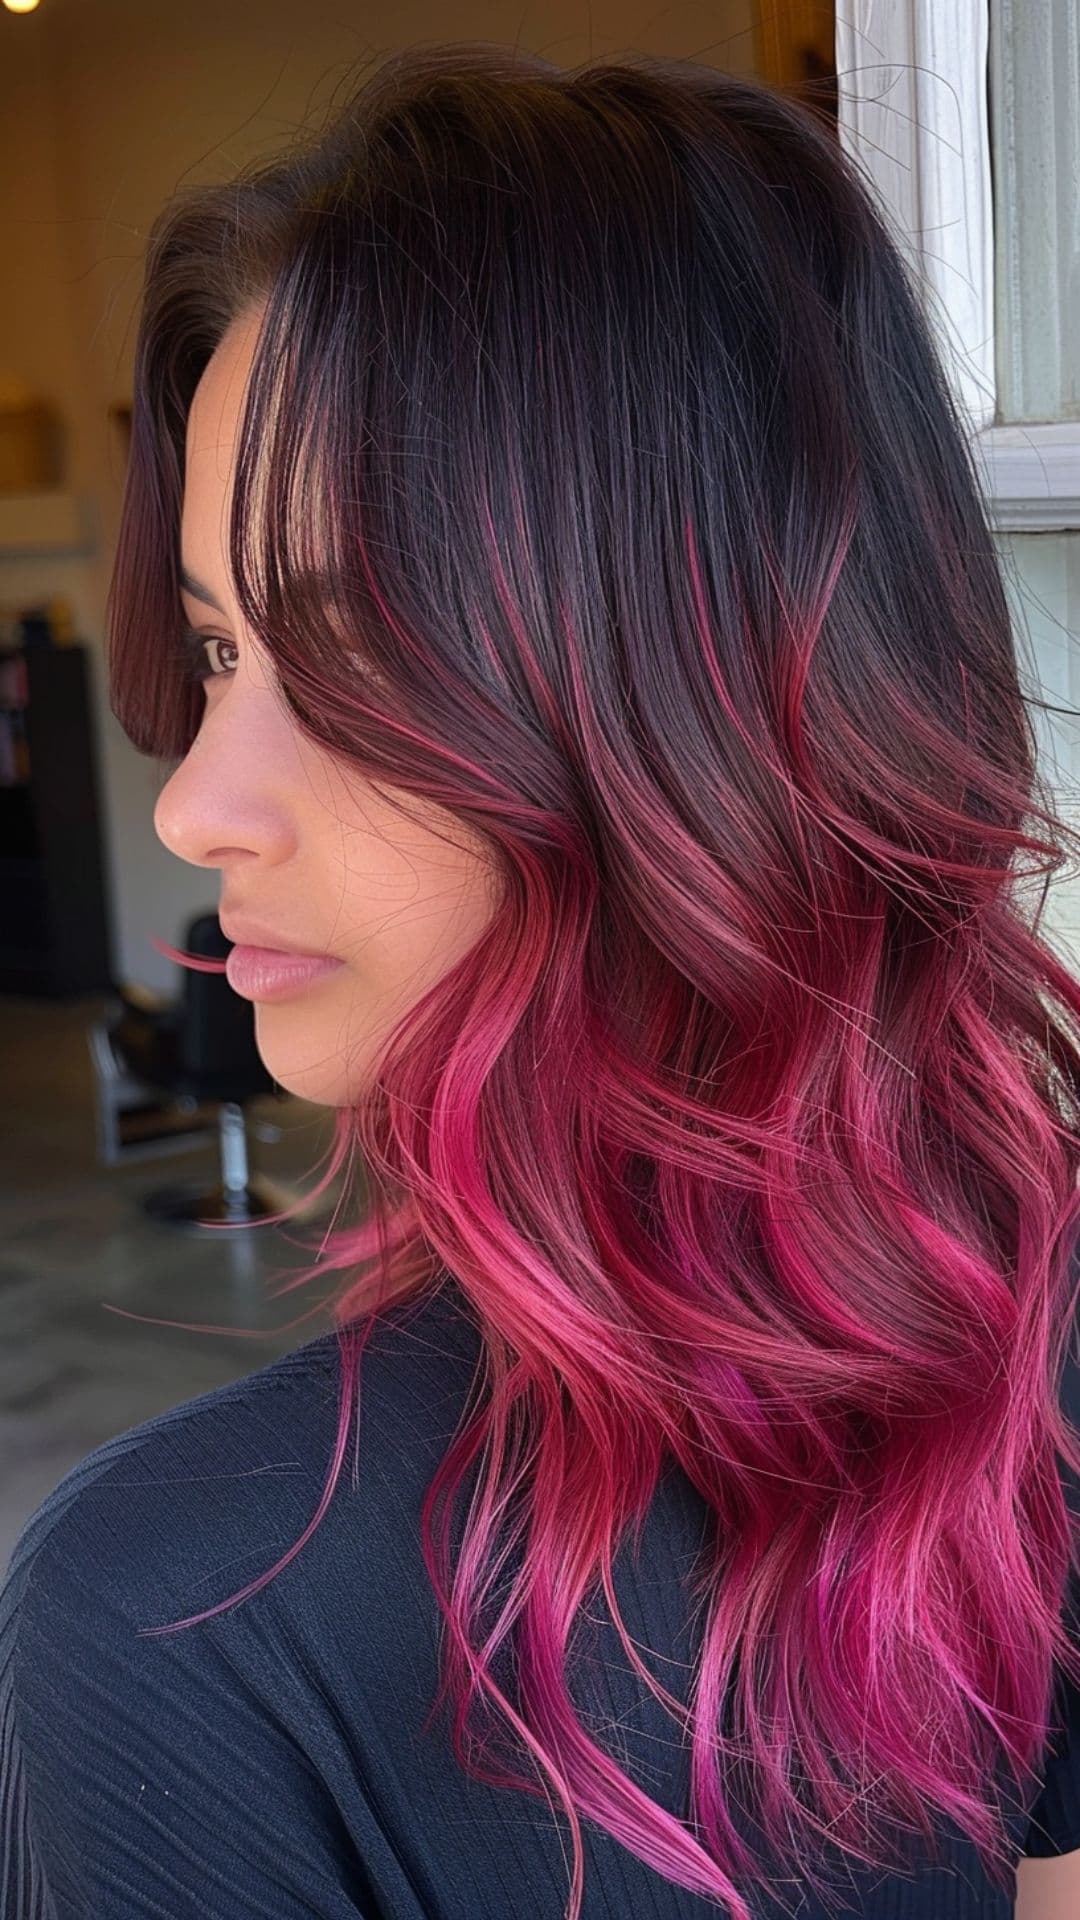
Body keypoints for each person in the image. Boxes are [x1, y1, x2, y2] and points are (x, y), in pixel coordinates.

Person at [2, 39, 1080, 1920]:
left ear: (696, 726)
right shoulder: (1025, 1306)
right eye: (219, 646)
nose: (195, 803)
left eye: (350, 665)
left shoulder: (180, 1623)